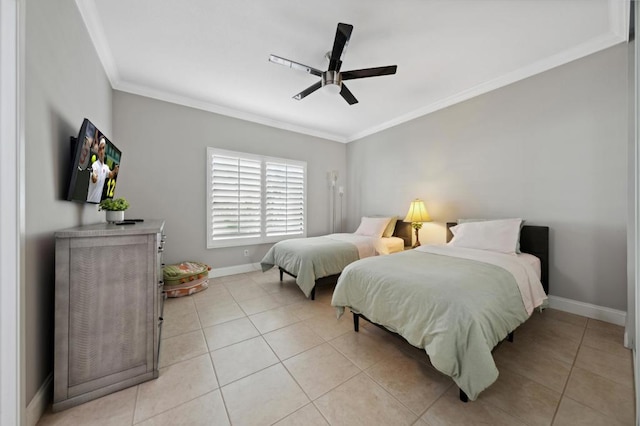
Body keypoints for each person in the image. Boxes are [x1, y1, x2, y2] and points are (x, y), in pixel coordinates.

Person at [87, 137, 119, 203]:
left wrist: (115, 170)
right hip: (89, 202)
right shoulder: (94, 165)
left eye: (103, 148)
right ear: (98, 151)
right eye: (100, 149)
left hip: (97, 204)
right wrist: (94, 176)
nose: (102, 151)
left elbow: (110, 175)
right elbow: (94, 179)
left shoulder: (106, 167)